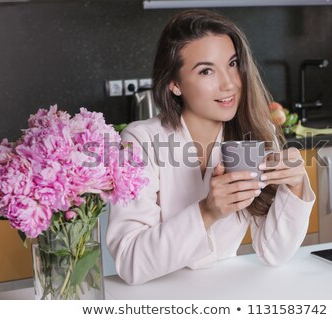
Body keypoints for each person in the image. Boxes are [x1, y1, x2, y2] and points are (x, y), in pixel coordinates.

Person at [106, 9, 315, 285]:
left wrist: (296, 185)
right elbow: (131, 263)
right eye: (206, 71)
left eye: (232, 64)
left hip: (224, 290)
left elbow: (275, 252)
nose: (229, 84)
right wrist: (207, 211)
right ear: (174, 83)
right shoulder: (141, 142)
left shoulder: (255, 136)